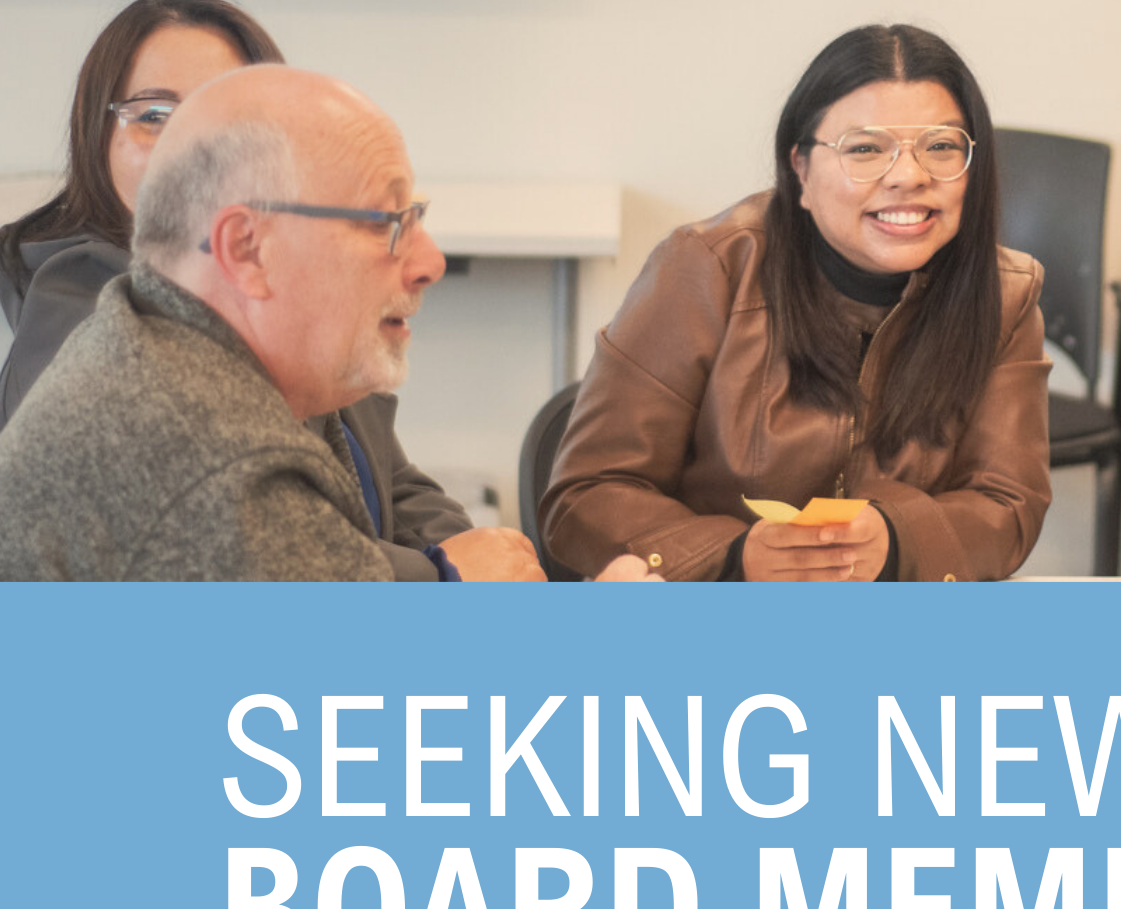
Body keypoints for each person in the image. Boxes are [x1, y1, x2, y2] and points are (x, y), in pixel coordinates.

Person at [0, 63, 655, 585]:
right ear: (247, 251)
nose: (429, 261)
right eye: (386, 223)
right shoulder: (225, 467)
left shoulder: (142, 333)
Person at [543, 22, 1050, 583]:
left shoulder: (1006, 293)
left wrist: (898, 539)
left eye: (941, 147)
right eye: (864, 149)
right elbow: (587, 494)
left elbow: (1008, 503)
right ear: (801, 170)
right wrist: (735, 556)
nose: (908, 175)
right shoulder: (707, 268)